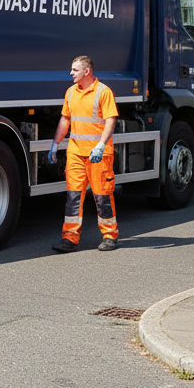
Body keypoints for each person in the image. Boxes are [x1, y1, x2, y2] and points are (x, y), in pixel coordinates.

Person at [48, 55, 120, 253]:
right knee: (73, 196)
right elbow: (65, 119)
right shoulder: (71, 92)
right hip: (76, 152)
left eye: (75, 70)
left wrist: (100, 145)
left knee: (102, 194)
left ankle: (109, 235)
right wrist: (55, 143)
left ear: (86, 71)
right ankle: (69, 238)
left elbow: (110, 121)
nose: (71, 73)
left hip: (98, 154)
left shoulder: (103, 92)